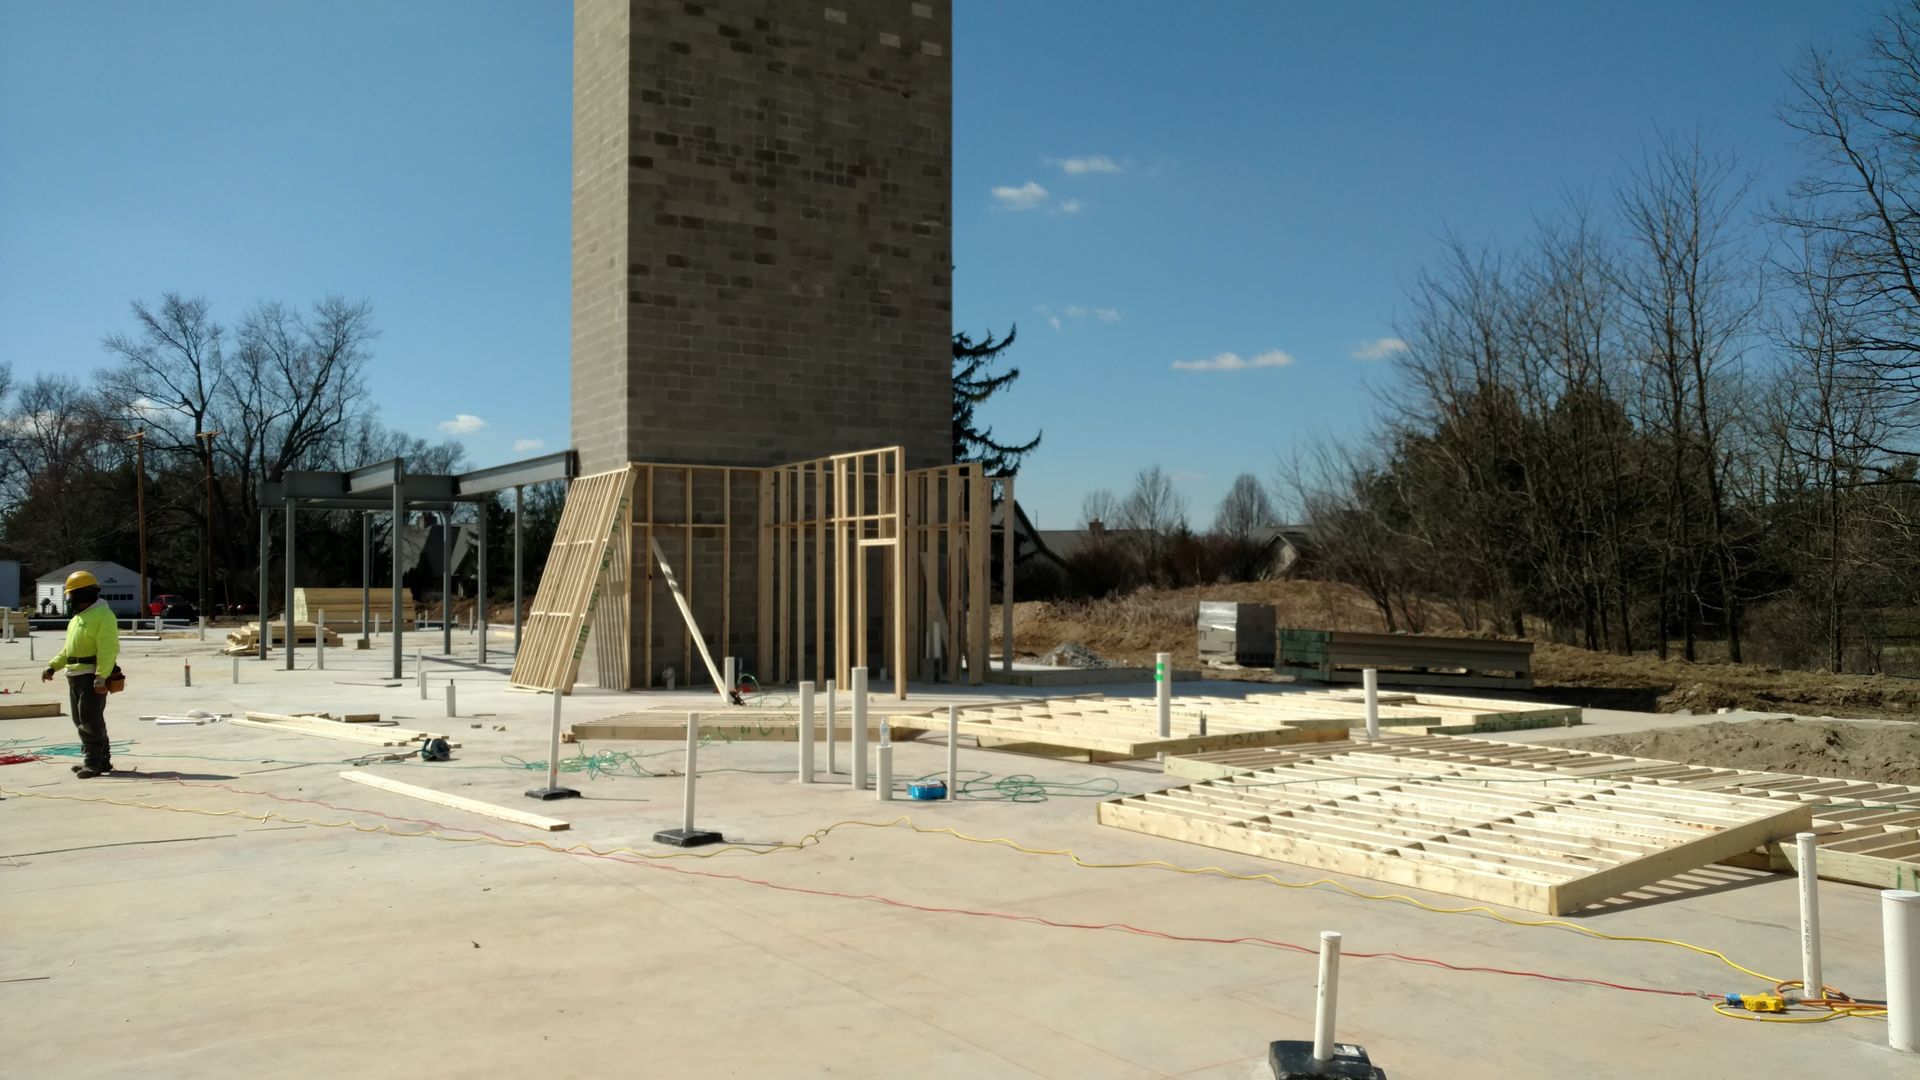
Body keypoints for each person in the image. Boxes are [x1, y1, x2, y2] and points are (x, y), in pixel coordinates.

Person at [41, 570, 120, 778]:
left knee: (90, 720)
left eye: (70, 595)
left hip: (91, 675)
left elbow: (108, 649)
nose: (69, 599)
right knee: (81, 720)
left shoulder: (103, 616)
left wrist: (101, 677)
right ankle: (101, 761)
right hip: (75, 675)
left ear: (83, 594)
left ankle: (92, 763)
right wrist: (53, 666)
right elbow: (68, 650)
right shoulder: (78, 619)